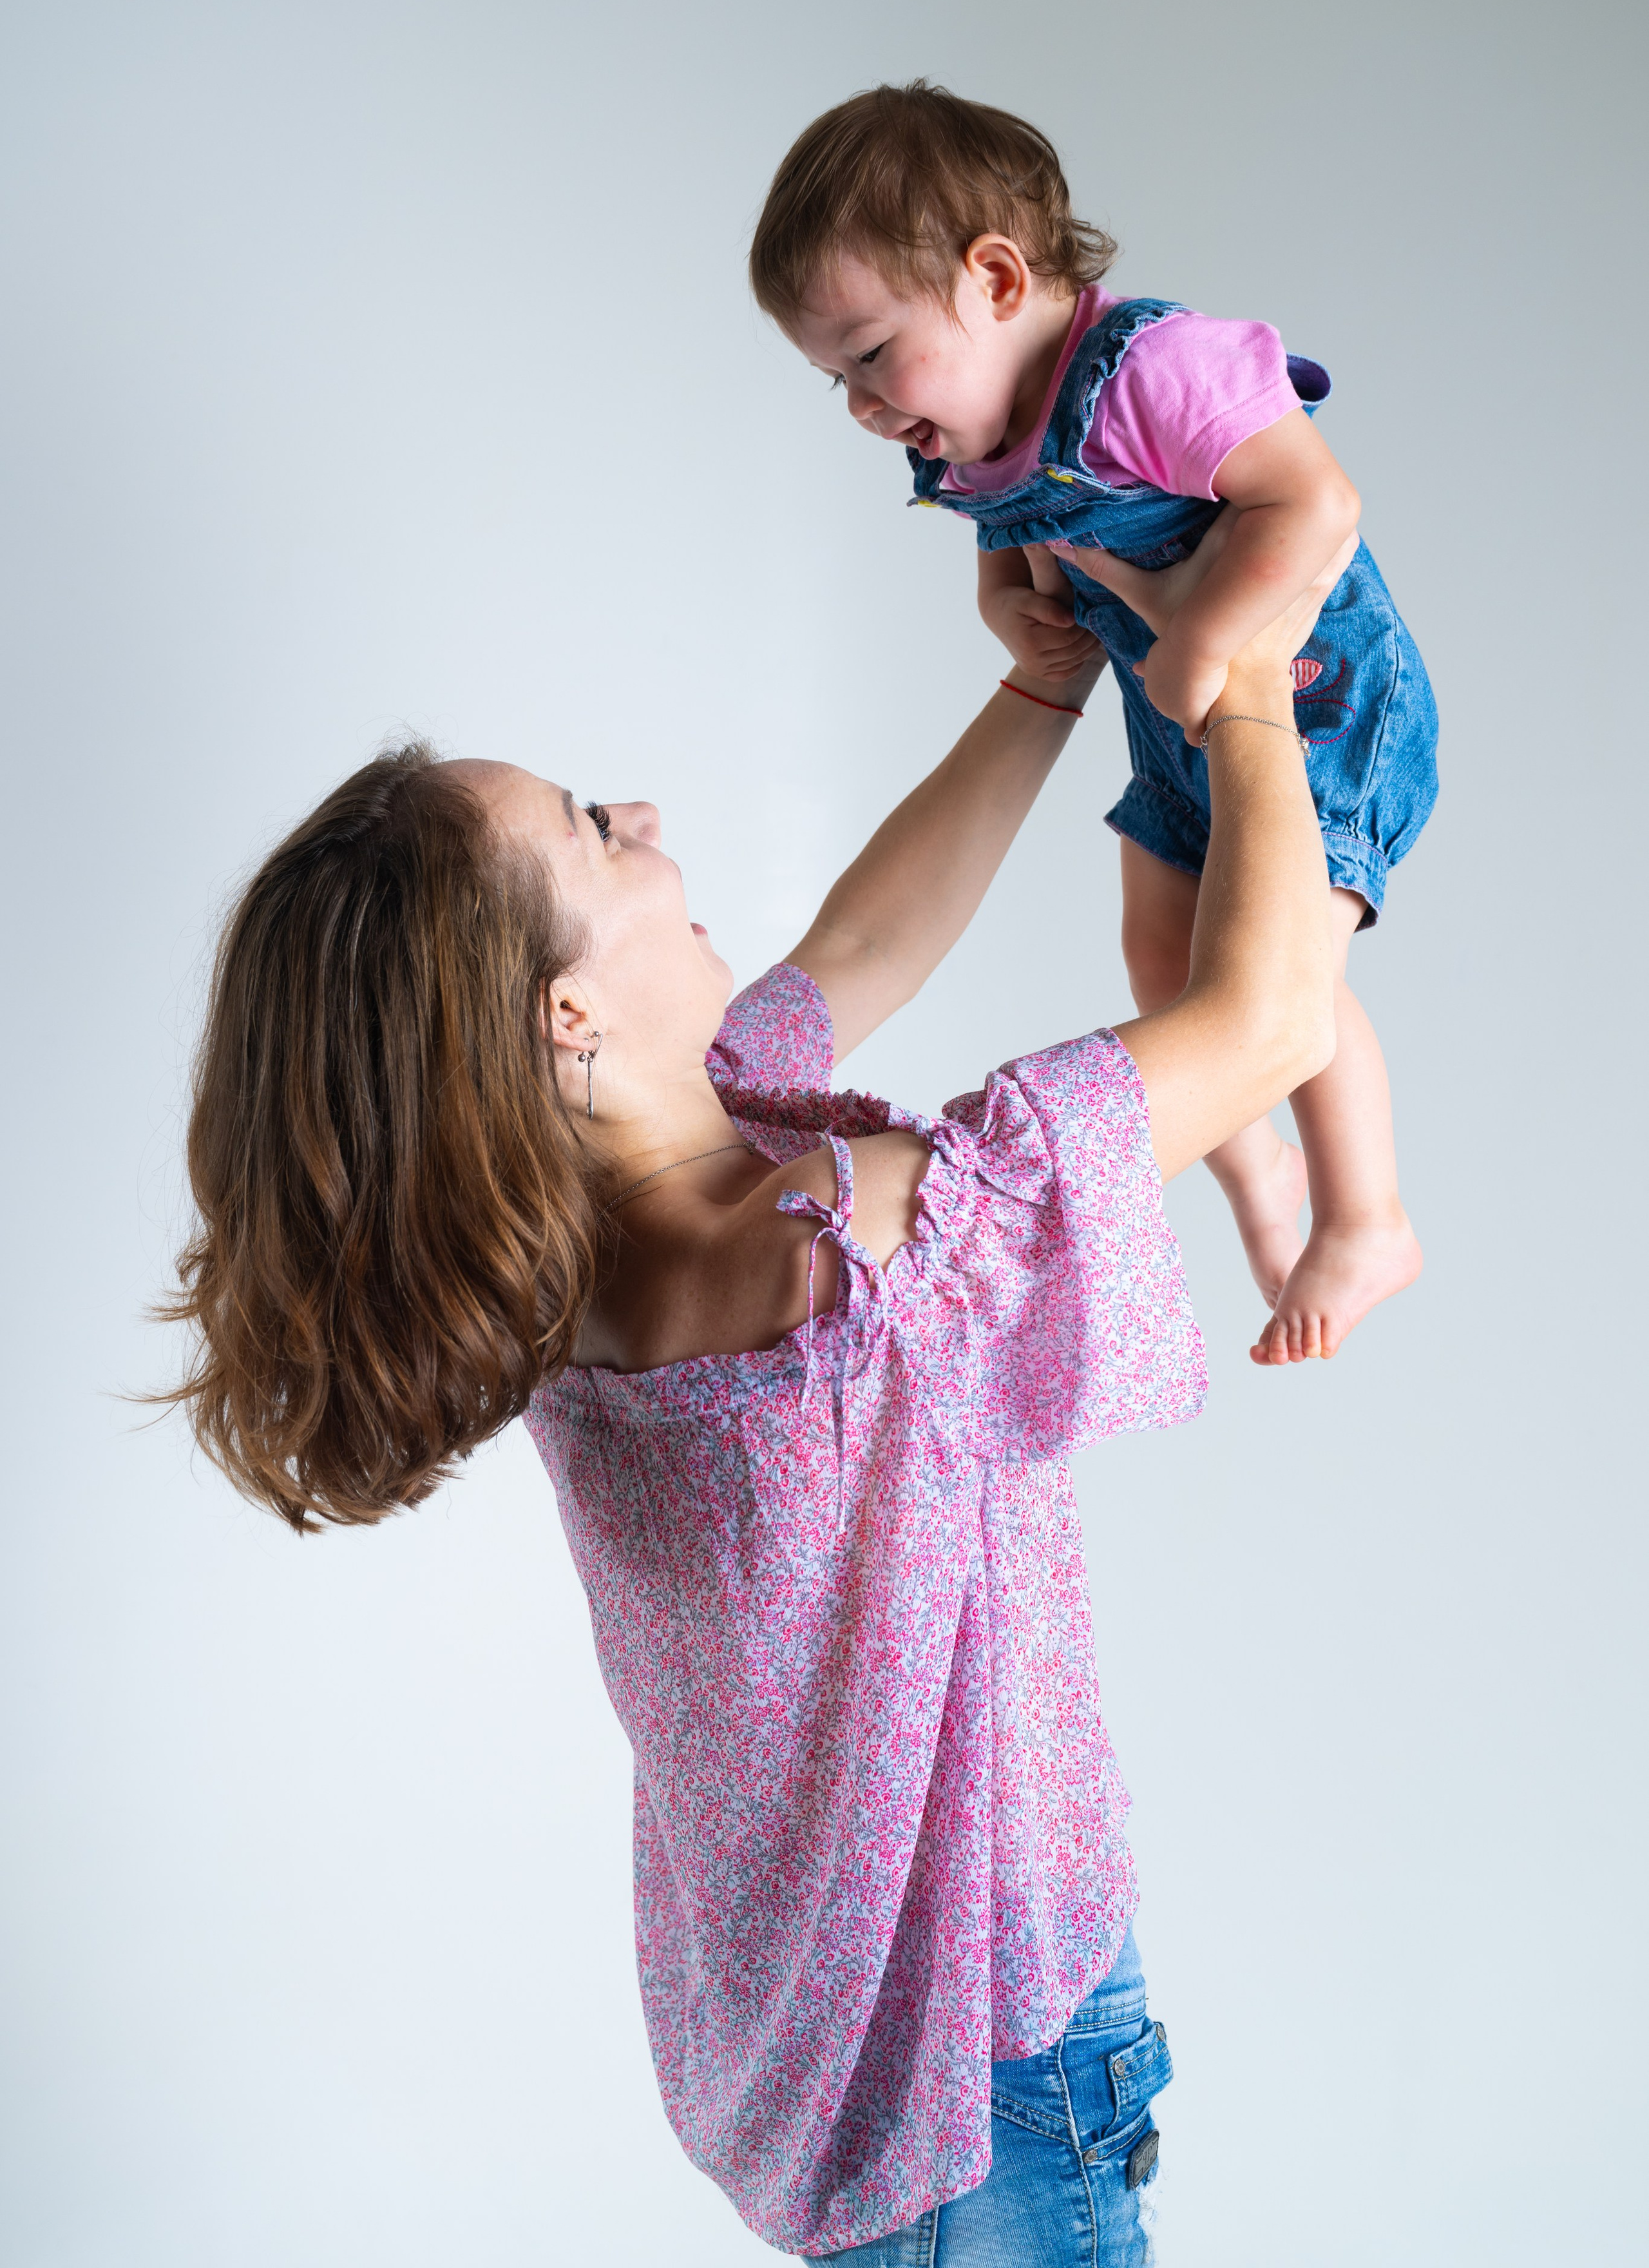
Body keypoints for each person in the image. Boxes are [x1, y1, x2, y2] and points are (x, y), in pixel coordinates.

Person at [160, 530, 1344, 2261]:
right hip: (986, 2073)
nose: (639, 815)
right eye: (589, 827)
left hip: (842, 2079)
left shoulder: (573, 1270)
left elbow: (868, 935)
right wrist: (1245, 673)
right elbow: (1270, 1012)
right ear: (570, 1012)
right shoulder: (855, 1253)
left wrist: (1043, 681)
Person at [750, 79, 1438, 1369]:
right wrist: (1013, 614)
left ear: (997, 280)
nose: (857, 403)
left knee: (1289, 973)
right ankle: (1254, 1178)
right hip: (1176, 722)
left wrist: (1196, 640)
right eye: (830, 378)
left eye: (868, 354)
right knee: (1157, 958)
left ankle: (1366, 1216)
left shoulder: (1149, 373)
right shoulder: (965, 433)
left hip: (1318, 703)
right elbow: (1009, 535)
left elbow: (1313, 504)